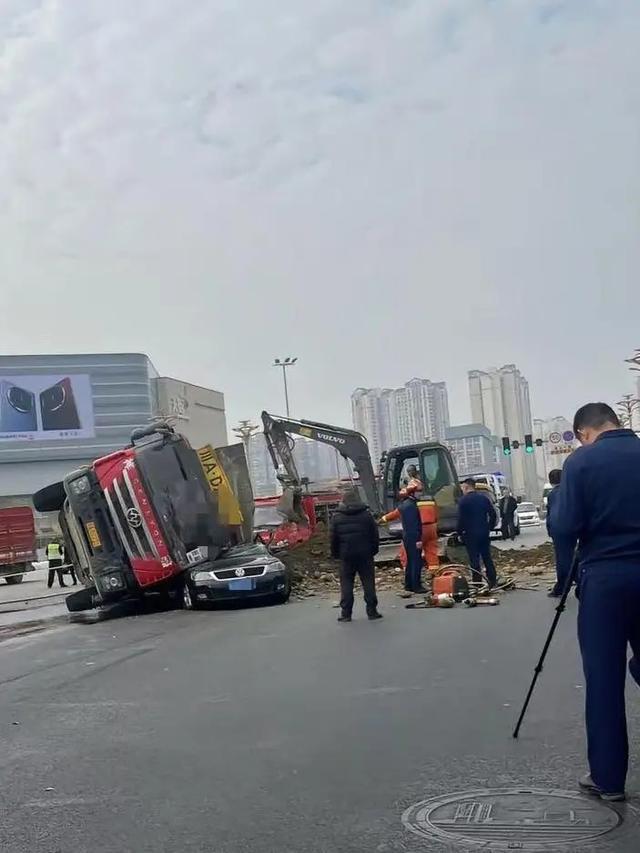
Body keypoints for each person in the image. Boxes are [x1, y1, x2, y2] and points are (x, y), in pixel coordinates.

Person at [551, 403, 640, 802]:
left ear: (585, 432)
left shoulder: (581, 463)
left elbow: (565, 527)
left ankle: (608, 780)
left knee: (604, 680)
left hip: (604, 579)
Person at [330, 488, 382, 622]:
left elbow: (333, 539)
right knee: (368, 583)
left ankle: (346, 614)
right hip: (365, 555)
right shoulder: (366, 516)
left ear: (343, 501)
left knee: (346, 584)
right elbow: (374, 536)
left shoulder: (337, 518)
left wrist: (336, 555)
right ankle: (372, 611)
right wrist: (373, 551)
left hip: (346, 556)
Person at [457, 478, 497, 588]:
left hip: (470, 534)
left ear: (467, 487)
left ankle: (477, 582)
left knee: (474, 559)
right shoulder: (483, 498)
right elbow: (493, 514)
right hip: (484, 532)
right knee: (487, 557)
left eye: (463, 488)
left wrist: (459, 533)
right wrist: (489, 527)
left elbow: (461, 519)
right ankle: (492, 580)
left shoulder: (463, 501)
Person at [546, 468, 574, 598]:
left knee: (563, 559)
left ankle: (565, 585)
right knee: (570, 555)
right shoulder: (569, 491)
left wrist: (550, 530)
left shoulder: (552, 494)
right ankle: (562, 585)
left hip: (558, 529)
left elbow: (550, 514)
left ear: (551, 481)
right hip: (571, 527)